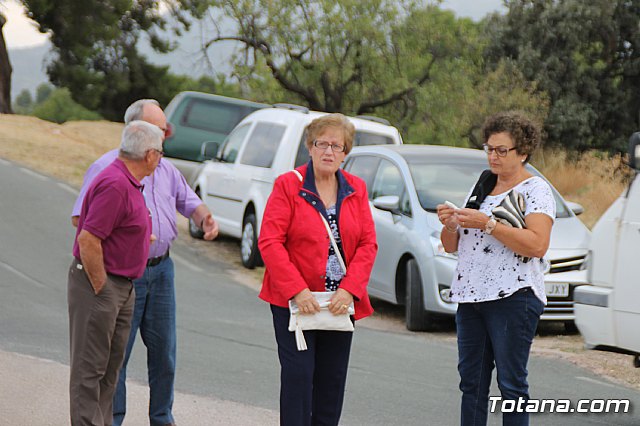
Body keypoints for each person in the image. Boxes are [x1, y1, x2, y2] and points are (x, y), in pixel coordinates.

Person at [71, 99, 219, 426]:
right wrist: (105, 278)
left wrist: (205, 216)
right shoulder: (108, 170)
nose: (166, 135)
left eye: (165, 129)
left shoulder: (164, 167)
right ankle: (114, 418)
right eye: (159, 130)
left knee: (164, 352)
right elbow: (84, 226)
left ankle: (161, 419)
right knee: (112, 358)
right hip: (122, 273)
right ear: (137, 133)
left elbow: (187, 200)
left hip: (161, 270)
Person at [258, 113, 377, 426]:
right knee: (299, 378)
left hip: (339, 303)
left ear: (346, 153)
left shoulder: (357, 189)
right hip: (295, 301)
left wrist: (349, 289)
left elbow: (367, 245)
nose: (328, 151)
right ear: (309, 148)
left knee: (331, 381)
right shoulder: (289, 185)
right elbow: (270, 241)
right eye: (321, 143)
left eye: (336, 146)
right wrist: (297, 290)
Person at [438, 111, 555, 426]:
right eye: (489, 148)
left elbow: (537, 245)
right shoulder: (483, 184)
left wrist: (489, 224)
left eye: (502, 150)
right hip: (471, 298)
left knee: (511, 386)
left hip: (513, 297)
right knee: (471, 384)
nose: (493, 156)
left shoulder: (535, 190)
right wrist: (450, 224)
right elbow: (452, 245)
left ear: (523, 153)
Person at [68, 120, 164, 425]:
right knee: (90, 368)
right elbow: (88, 238)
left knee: (110, 369)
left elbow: (115, 227)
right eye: (160, 152)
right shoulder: (115, 183)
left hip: (123, 286)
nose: (161, 158)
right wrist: (101, 286)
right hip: (103, 283)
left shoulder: (129, 181)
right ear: (149, 155)